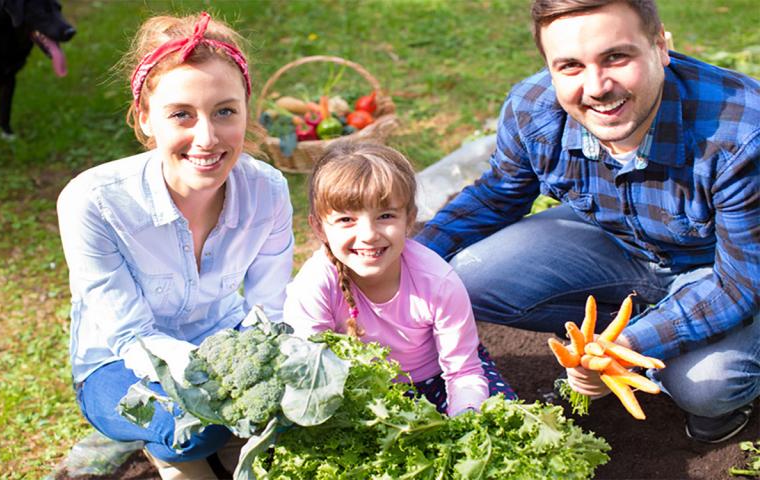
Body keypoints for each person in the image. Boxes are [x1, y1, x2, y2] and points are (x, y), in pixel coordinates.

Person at [415, 0, 759, 443]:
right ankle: (640, 325)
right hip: (621, 246)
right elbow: (496, 196)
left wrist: (627, 347)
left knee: (707, 387)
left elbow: (739, 284)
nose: (596, 87)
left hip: (726, 267)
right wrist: (408, 260)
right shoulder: (534, 110)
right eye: (570, 66)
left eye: (616, 57)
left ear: (661, 47)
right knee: (464, 277)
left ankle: (720, 381)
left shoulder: (740, 133)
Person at [56, 12, 294, 478]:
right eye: (181, 114)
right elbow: (129, 336)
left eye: (225, 111)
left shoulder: (268, 190)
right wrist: (213, 385)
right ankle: (164, 448)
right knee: (190, 428)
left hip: (223, 340)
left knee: (292, 406)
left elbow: (270, 311)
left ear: (247, 109)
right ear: (145, 118)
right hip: (118, 362)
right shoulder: (93, 202)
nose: (206, 138)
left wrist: (271, 373)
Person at [284, 141, 516, 417]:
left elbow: (463, 372)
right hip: (360, 392)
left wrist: (464, 421)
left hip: (442, 379)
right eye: (347, 219)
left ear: (409, 219)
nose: (368, 234)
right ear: (319, 228)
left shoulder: (436, 280)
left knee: (498, 416)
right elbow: (309, 369)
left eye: (385, 216)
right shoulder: (314, 285)